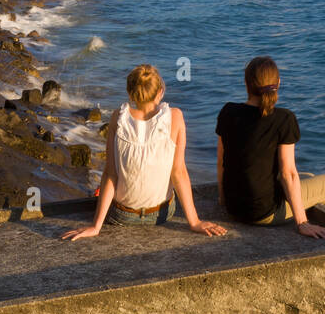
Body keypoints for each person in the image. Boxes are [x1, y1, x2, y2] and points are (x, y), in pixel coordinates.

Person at [63, 64, 226, 240]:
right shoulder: (175, 117)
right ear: (160, 92)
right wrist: (194, 222)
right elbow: (179, 173)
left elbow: (110, 174)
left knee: (114, 175)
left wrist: (96, 226)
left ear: (129, 93)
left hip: (121, 216)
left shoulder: (118, 117)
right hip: (161, 215)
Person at [216, 56, 325, 239]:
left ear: (246, 84)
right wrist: (302, 223)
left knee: (309, 177)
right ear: (278, 83)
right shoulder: (283, 119)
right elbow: (288, 173)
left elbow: (221, 162)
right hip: (263, 213)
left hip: (234, 208)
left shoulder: (228, 112)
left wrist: (223, 200)